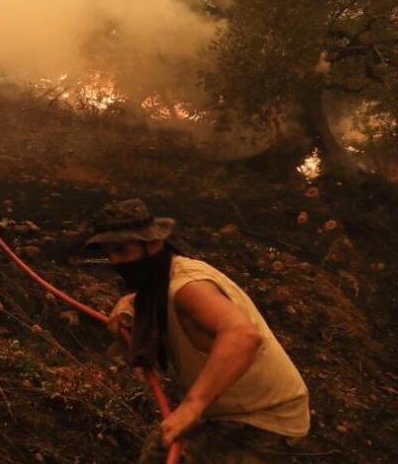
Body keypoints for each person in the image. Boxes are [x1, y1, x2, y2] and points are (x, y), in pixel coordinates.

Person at [85, 198, 310, 463]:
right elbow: (155, 294)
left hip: (265, 418)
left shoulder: (188, 287)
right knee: (159, 452)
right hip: (231, 410)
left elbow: (243, 336)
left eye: (122, 251)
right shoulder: (163, 276)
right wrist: (131, 302)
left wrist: (192, 405)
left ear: (153, 243)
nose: (115, 261)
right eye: (110, 253)